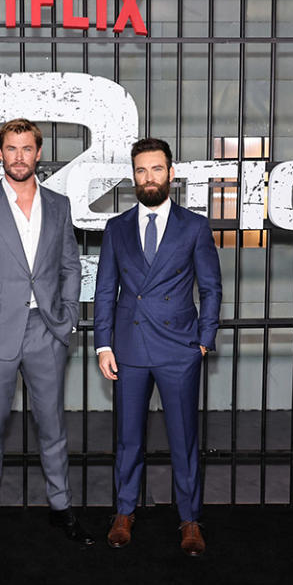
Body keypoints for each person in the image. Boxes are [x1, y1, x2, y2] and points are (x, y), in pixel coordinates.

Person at [0, 118, 94, 553]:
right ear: (0, 153)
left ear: (38, 153)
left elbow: (71, 265)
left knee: (52, 427)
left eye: (26, 148)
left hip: (47, 331)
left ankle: (61, 506)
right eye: (10, 148)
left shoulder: (59, 205)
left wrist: (67, 315)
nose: (19, 156)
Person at [93, 137, 223, 556]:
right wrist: (102, 345)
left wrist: (202, 343)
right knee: (128, 438)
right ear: (134, 176)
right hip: (128, 348)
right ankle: (125, 511)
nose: (149, 178)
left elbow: (211, 287)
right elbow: (104, 291)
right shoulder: (116, 228)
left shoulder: (194, 226)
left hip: (178, 349)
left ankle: (189, 519)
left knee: (183, 439)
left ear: (171, 172)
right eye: (141, 170)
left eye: (156, 169)